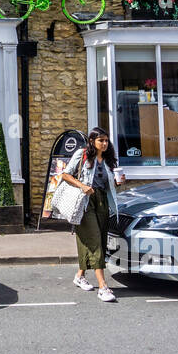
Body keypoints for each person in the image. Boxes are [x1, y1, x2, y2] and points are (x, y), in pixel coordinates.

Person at [59, 128, 125, 303]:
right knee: (95, 240)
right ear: (91, 141)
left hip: (103, 201)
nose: (104, 144)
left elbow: (110, 185)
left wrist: (118, 182)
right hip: (86, 201)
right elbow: (65, 174)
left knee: (99, 240)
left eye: (106, 140)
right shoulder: (82, 155)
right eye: (100, 140)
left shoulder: (109, 159)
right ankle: (103, 287)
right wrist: (82, 186)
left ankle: (79, 276)